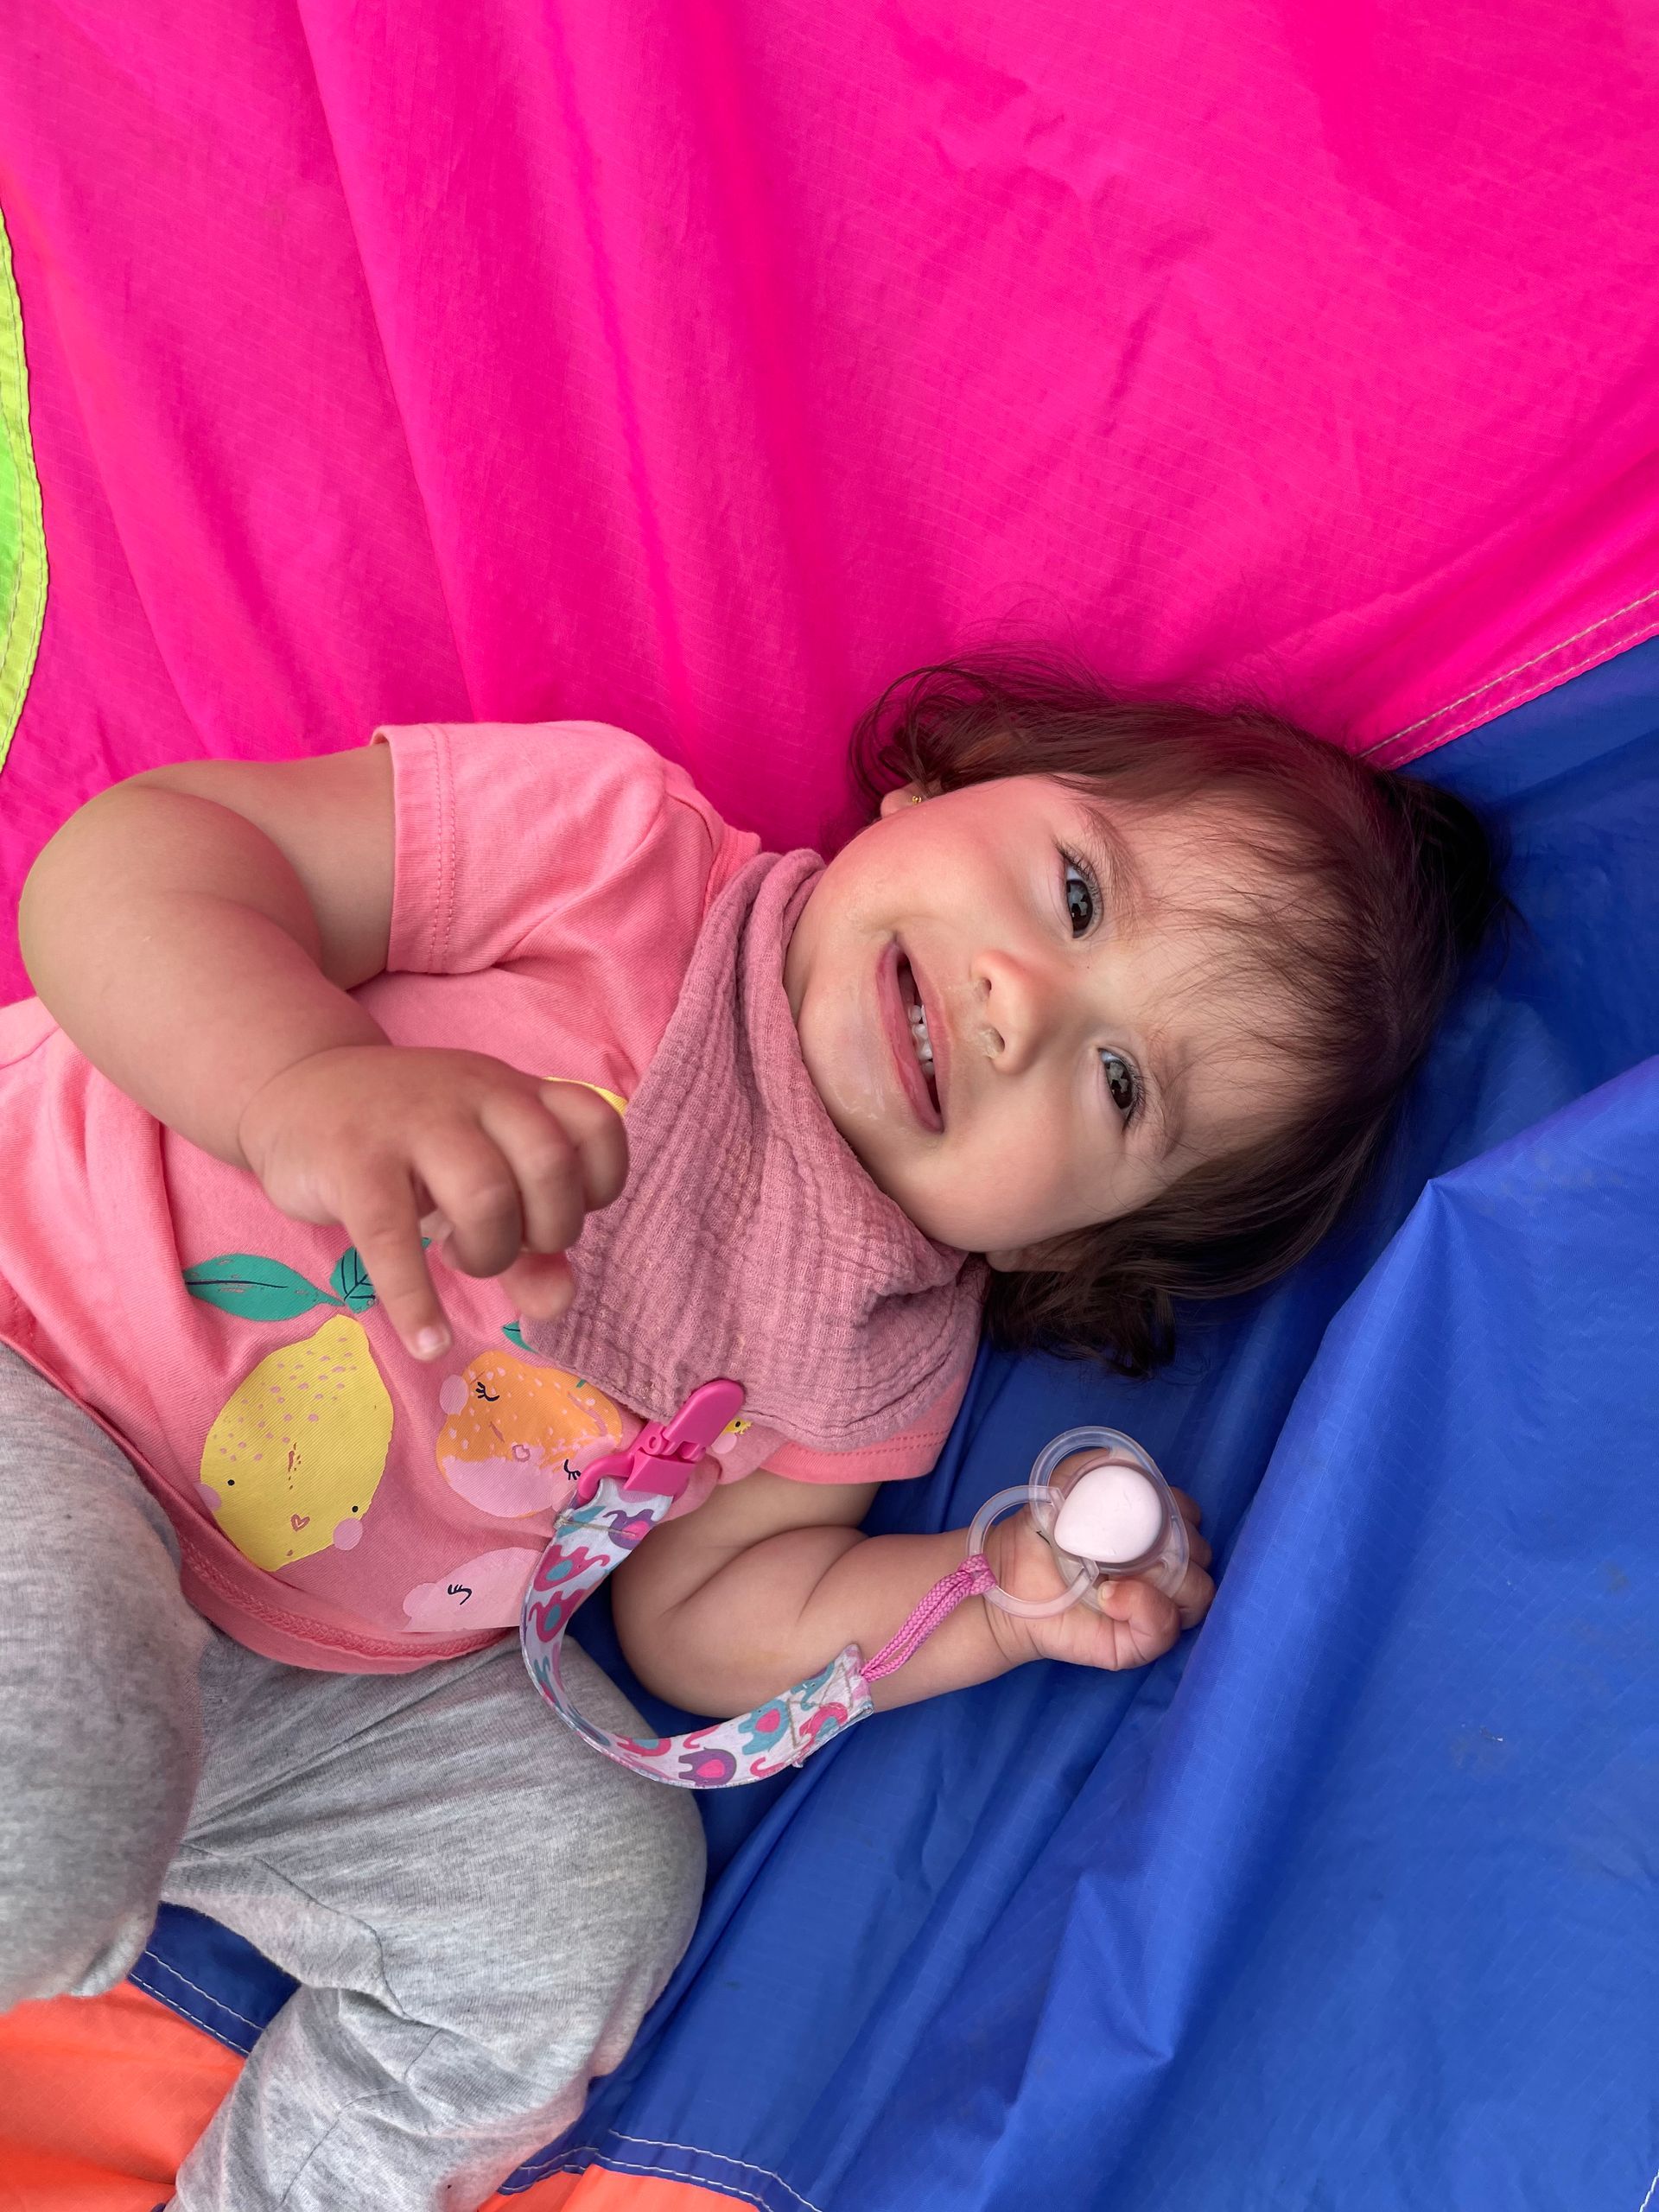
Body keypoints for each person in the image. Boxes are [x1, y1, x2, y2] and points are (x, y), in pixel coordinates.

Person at [0, 655, 1504, 2208]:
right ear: (941, 783)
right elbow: (134, 863)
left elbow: (706, 1620)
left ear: (1069, 1249)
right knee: (53, 1788)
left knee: (590, 1891)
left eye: (1120, 1084)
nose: (1024, 1005)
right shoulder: (613, 852)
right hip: (38, 1349)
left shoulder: (878, 1344)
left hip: (297, 1680)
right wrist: (300, 1083)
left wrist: (989, 1599)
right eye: (1072, 892)